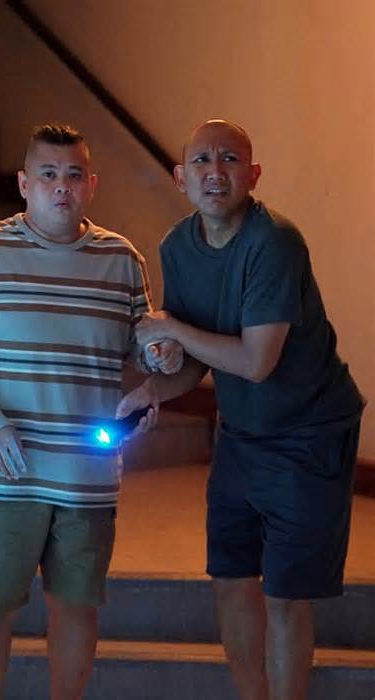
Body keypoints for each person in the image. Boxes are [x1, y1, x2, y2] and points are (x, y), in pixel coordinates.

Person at [0, 123, 180, 700]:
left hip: (84, 475)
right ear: (24, 183)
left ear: (91, 184)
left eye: (73, 175)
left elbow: (142, 346)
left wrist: (160, 360)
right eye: (48, 174)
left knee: (77, 609)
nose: (62, 186)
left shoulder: (121, 259)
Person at [117, 119, 364, 700]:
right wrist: (152, 391)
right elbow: (197, 358)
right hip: (242, 433)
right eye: (201, 161)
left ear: (253, 176)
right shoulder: (178, 246)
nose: (214, 171)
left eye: (229, 160)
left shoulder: (275, 242)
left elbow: (255, 361)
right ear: (180, 177)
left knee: (284, 593)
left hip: (308, 433)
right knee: (230, 578)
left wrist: (171, 327)